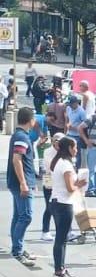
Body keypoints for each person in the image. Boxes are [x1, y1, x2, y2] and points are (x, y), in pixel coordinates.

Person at [8, 107, 44, 267]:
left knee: (18, 215)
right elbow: (17, 159)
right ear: (31, 120)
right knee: (26, 216)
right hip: (21, 182)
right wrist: (24, 183)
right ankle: (17, 250)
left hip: (21, 181)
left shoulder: (20, 135)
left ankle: (18, 248)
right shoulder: (22, 137)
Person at [47, 136, 85, 277]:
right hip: (64, 203)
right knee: (62, 238)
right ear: (69, 148)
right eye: (74, 147)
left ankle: (60, 267)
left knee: (60, 237)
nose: (76, 150)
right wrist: (79, 185)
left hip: (56, 201)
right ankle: (59, 268)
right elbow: (70, 188)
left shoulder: (58, 162)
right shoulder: (66, 165)